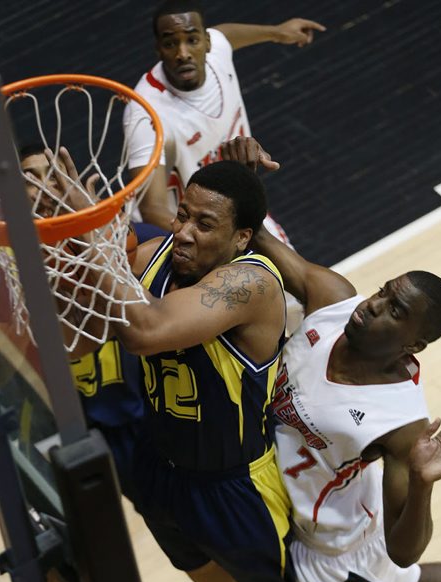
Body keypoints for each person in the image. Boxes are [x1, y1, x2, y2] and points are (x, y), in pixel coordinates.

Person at [221, 136, 441, 582]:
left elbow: (404, 550)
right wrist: (242, 179)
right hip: (289, 510)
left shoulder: (401, 424)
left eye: (393, 310)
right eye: (383, 291)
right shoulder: (334, 299)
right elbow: (256, 236)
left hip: (334, 554)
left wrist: (423, 482)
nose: (373, 305)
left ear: (413, 345)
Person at [67, 154, 304, 582]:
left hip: (236, 482)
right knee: (190, 557)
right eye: (182, 214)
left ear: (242, 237)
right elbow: (75, 337)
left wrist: (94, 238)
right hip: (161, 463)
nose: (185, 232)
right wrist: (62, 239)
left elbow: (144, 332)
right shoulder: (152, 256)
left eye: (205, 223)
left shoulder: (251, 284)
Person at [20, 145, 149, 582]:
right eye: (30, 178)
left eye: (55, 175)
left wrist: (91, 218)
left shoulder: (110, 235)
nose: (43, 186)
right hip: (54, 414)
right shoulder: (1, 255)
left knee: (178, 525)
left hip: (127, 407)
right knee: (43, 529)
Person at [123, 0, 325, 334]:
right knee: (231, 322)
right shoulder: (146, 112)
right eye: (171, 43)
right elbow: (153, 207)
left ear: (205, 41)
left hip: (232, 214)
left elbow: (227, 36)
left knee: (298, 297)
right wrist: (209, 234)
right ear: (159, 48)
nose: (183, 52)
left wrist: (278, 33)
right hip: (186, 230)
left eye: (192, 39)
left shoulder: (217, 50)